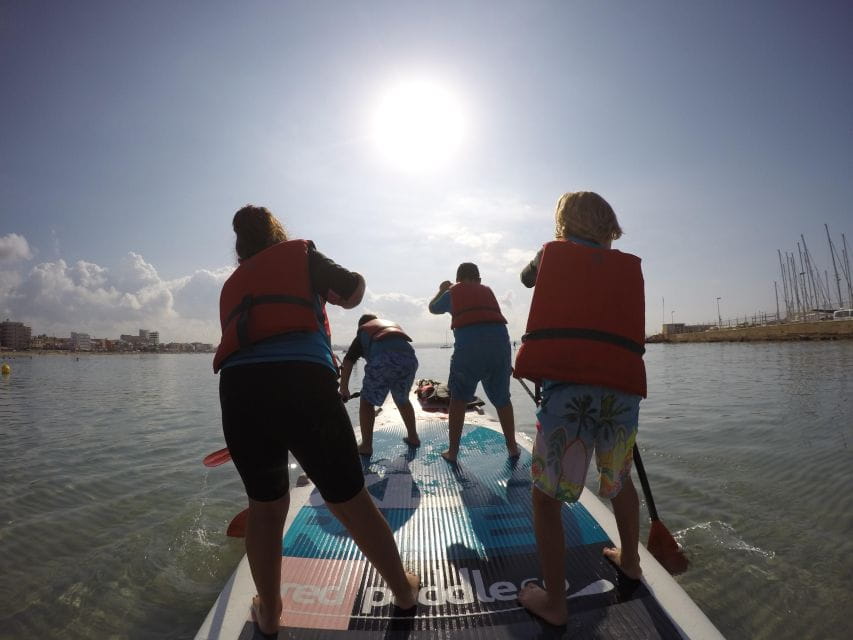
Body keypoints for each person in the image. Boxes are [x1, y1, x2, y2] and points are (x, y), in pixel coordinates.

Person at [213, 205, 419, 635]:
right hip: (302, 384)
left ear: (240, 247)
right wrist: (352, 284)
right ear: (276, 234)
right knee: (349, 499)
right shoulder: (300, 254)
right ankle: (402, 590)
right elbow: (352, 290)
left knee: (265, 509)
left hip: (239, 392)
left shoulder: (232, 285)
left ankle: (269, 611)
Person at [514, 191, 647, 626]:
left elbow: (525, 279)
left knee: (547, 496)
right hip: (619, 393)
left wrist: (547, 252)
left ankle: (555, 603)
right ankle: (630, 559)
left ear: (563, 225)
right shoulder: (625, 266)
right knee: (619, 478)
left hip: (569, 390)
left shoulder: (551, 255)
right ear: (609, 229)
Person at [428, 262, 519, 462]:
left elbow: (433, 308)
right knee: (503, 400)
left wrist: (441, 289)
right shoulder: (487, 291)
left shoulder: (452, 292)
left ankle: (453, 452)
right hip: (500, 350)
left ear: (458, 280)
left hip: (469, 353)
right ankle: (512, 447)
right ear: (478, 280)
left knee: (459, 400)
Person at [339, 314, 420, 455]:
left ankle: (366, 446)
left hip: (384, 360)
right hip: (410, 360)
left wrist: (344, 387)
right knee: (402, 399)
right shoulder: (390, 329)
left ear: (361, 326)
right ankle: (413, 437)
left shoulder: (363, 333)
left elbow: (348, 361)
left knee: (367, 402)